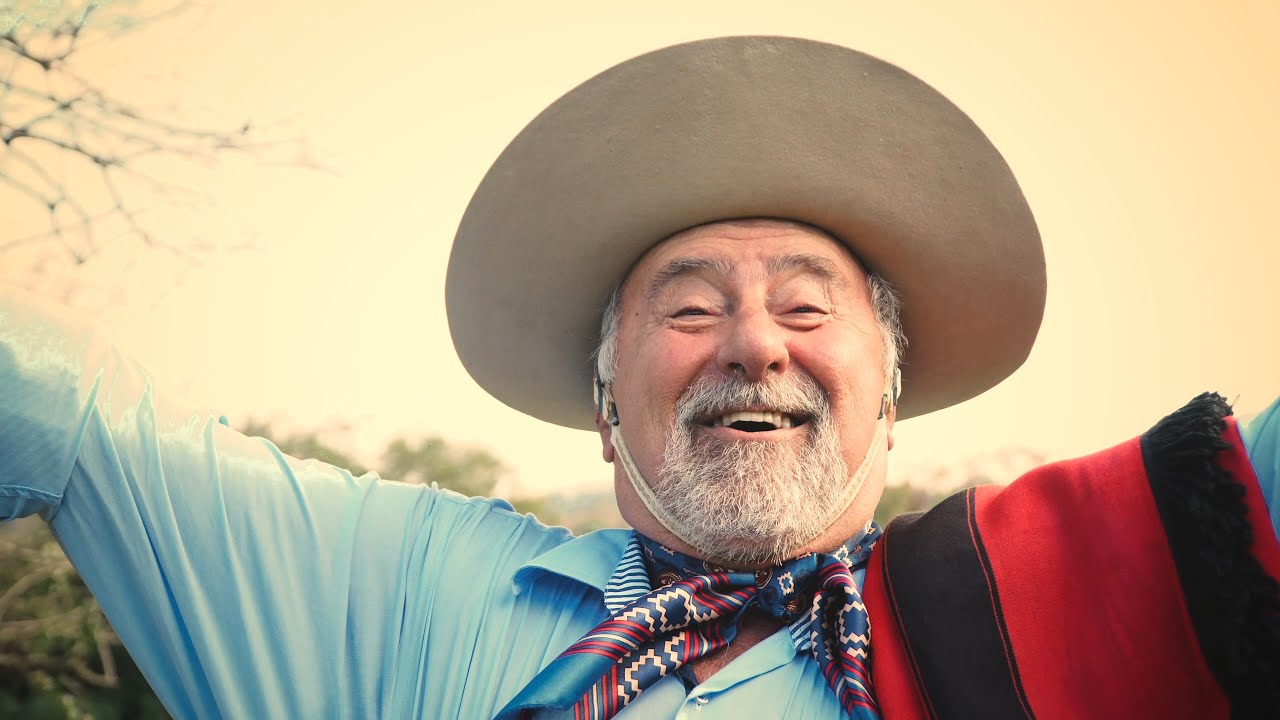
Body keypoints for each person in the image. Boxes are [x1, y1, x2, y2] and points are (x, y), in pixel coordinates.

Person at [1, 36, 1277, 719]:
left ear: (888, 394)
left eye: (802, 304)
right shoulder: (403, 597)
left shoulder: (1061, 591)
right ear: (606, 402)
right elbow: (82, 423)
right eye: (686, 307)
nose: (751, 343)